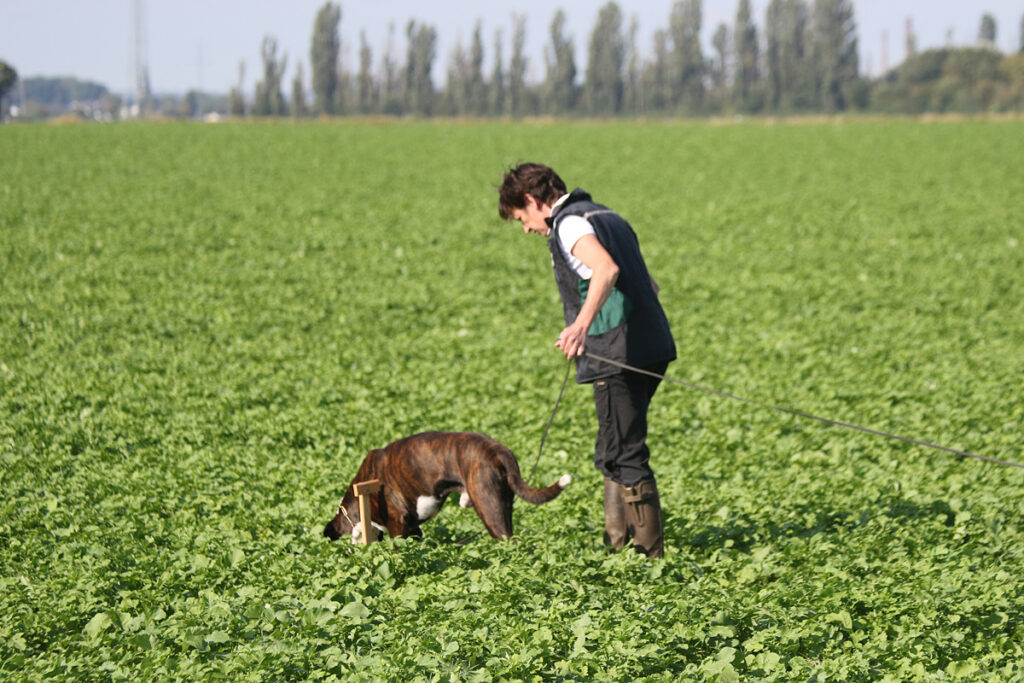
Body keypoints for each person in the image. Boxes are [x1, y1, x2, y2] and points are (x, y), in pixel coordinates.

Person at [497, 162, 676, 558]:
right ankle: (616, 545)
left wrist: (580, 326)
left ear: (531, 200)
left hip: (617, 352)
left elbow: (606, 269)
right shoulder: (606, 215)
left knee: (626, 453)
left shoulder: (570, 224)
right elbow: (648, 283)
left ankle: (648, 557)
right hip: (651, 345)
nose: (526, 228)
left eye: (522, 218)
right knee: (615, 447)